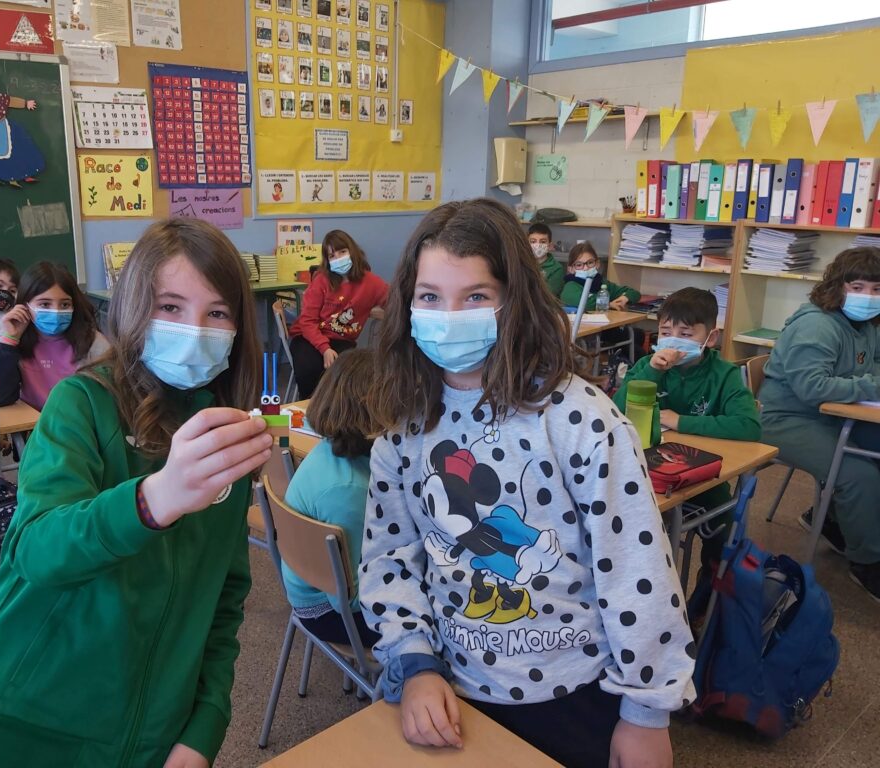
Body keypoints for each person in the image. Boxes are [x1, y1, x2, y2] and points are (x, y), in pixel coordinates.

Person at [361, 198, 695, 768]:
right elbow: (389, 559)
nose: (450, 315)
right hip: (454, 691)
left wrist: (646, 710)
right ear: (408, 305)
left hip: (574, 696)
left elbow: (636, 572)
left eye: (476, 296)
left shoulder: (580, 420)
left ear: (513, 301)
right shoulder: (404, 426)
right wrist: (414, 663)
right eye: (430, 297)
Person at [0, 218, 271, 767]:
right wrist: (153, 501)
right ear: (135, 309)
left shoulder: (224, 433)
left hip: (149, 733)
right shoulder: (81, 403)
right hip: (28, 715)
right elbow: (37, 550)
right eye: (170, 307)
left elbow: (226, 597)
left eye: (217, 313)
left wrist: (205, 725)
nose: (195, 330)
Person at [759, 247, 880, 602]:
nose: (869, 297)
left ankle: (831, 519)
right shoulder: (817, 324)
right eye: (858, 287)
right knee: (858, 473)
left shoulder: (866, 325)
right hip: (787, 418)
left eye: (877, 289)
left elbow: (874, 363)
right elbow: (812, 388)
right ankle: (867, 562)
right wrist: (871, 384)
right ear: (838, 286)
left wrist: (869, 380)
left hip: (836, 414)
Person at [613, 287, 760, 570]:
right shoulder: (646, 365)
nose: (673, 341)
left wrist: (681, 421)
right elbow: (615, 412)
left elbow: (749, 426)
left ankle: (712, 580)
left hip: (700, 476)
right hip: (644, 471)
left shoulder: (724, 374)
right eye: (666, 332)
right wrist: (653, 371)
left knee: (725, 526)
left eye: (686, 334)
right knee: (623, 518)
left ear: (710, 338)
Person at [281, 348, 382, 647]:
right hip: (331, 613)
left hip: (323, 592)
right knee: (446, 624)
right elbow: (349, 600)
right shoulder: (348, 489)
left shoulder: (335, 449)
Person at [0, 261, 108, 410]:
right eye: (45, 304)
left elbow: (111, 396)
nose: (56, 312)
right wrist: (10, 340)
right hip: (33, 422)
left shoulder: (93, 342)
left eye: (65, 304)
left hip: (76, 421)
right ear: (25, 306)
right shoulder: (16, 340)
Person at [288, 230, 387, 398]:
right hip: (309, 337)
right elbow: (307, 321)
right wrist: (324, 348)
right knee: (309, 369)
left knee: (346, 375)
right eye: (332, 255)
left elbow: (394, 303)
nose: (338, 258)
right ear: (327, 261)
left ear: (352, 251)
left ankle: (338, 410)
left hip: (342, 339)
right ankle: (310, 407)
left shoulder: (372, 282)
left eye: (342, 252)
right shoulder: (321, 281)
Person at [559, 241, 640, 311]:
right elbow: (585, 303)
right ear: (571, 269)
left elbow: (633, 293)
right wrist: (609, 304)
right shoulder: (570, 286)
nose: (586, 268)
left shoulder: (602, 282)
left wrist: (625, 298)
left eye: (590, 263)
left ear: (597, 264)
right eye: (579, 265)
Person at [527, 222, 564, 296]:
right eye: (533, 241)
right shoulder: (521, 263)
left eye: (543, 242)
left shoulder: (557, 268)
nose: (537, 245)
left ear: (550, 245)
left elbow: (548, 295)